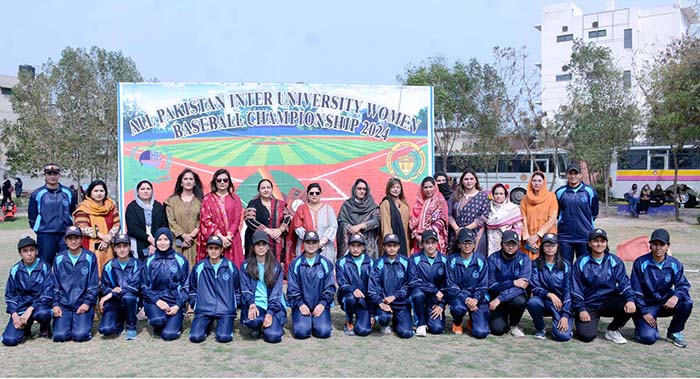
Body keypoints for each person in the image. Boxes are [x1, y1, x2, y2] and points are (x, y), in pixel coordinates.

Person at [572, 228, 636, 344]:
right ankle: (580, 320)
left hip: (608, 301)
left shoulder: (615, 261)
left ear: (606, 243)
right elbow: (576, 288)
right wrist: (581, 309)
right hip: (589, 303)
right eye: (595, 241)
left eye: (602, 241)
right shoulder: (581, 262)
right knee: (586, 336)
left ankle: (613, 330)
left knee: (629, 303)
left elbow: (624, 283)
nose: (599, 244)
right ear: (589, 243)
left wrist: (630, 299)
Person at [631, 229, 692, 347]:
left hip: (665, 303)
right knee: (649, 338)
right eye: (655, 244)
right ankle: (640, 327)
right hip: (646, 305)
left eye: (662, 244)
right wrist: (643, 311)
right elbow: (635, 290)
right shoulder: (640, 263)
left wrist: (676, 296)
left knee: (686, 302)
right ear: (650, 245)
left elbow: (683, 285)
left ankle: (674, 331)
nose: (658, 248)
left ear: (668, 246)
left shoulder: (675, 264)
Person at [188, 235, 241, 343]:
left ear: (222, 250)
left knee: (224, 338)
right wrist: (195, 303)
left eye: (216, 248)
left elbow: (237, 289)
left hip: (225, 310)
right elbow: (192, 289)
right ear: (207, 249)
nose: (213, 251)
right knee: (195, 337)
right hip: (204, 309)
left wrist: (234, 305)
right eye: (211, 248)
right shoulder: (199, 267)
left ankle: (223, 324)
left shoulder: (230, 267)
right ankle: (206, 325)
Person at [2, 236, 54, 346]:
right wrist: (14, 315)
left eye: (32, 250)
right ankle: (26, 327)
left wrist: (30, 309)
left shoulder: (44, 267)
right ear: (20, 253)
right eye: (25, 251)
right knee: (9, 340)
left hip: (39, 305)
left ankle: (45, 327)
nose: (29, 254)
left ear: (36, 251)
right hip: (22, 306)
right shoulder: (15, 270)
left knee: (43, 313)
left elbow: (48, 293)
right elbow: (10, 295)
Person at [52, 226, 99, 343]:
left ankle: (82, 323)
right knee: (60, 336)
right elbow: (55, 285)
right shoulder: (59, 258)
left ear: (81, 239)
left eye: (76, 238)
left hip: (82, 304)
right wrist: (56, 304)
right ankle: (67, 323)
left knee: (80, 335)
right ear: (65, 240)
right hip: (64, 304)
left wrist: (87, 303)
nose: (73, 241)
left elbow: (93, 284)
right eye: (70, 238)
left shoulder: (90, 257)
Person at [141, 227, 189, 341]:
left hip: (174, 301)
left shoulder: (180, 260)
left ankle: (176, 323)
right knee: (157, 321)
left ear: (171, 241)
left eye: (166, 239)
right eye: (160, 239)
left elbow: (186, 286)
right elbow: (144, 286)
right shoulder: (149, 261)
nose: (162, 243)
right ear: (155, 241)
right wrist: (157, 301)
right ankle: (159, 322)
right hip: (155, 300)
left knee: (168, 335)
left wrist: (178, 306)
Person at [287, 231, 336, 339]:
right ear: (303, 244)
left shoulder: (326, 263)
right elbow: (292, 289)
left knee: (324, 332)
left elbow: (330, 287)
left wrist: (322, 304)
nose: (311, 245)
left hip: (320, 306)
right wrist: (300, 304)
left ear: (318, 244)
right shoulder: (295, 264)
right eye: (308, 242)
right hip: (302, 306)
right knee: (301, 332)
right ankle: (305, 321)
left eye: (314, 242)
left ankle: (317, 322)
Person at [240, 230, 287, 343]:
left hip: (274, 305)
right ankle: (257, 326)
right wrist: (251, 304)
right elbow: (245, 289)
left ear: (268, 247)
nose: (261, 247)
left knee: (273, 336)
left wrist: (270, 313)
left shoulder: (276, 267)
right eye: (258, 244)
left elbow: (276, 293)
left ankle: (273, 323)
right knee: (252, 321)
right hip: (256, 304)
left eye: (263, 244)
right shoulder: (245, 266)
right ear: (253, 247)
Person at [28, 163, 77, 266]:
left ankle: (63, 283)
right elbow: (32, 216)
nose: (52, 176)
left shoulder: (68, 193)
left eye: (55, 173)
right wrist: (40, 230)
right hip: (45, 234)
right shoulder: (37, 194)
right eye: (49, 173)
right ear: (45, 175)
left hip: (64, 234)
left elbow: (72, 212)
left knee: (65, 263)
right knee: (45, 264)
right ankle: (46, 283)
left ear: (59, 175)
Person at [527, 233, 573, 341]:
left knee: (562, 336)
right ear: (542, 247)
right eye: (546, 245)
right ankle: (540, 328)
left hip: (561, 303)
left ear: (558, 247)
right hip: (543, 301)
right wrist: (549, 295)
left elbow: (568, 289)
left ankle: (563, 323)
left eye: (553, 245)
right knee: (533, 302)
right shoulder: (535, 264)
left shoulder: (565, 265)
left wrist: (565, 315)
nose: (550, 248)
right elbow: (534, 287)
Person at [446, 228, 490, 339]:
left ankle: (472, 320)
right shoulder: (452, 260)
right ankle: (457, 322)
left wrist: (475, 299)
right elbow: (451, 286)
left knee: (481, 333)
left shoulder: (481, 260)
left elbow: (483, 285)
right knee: (457, 309)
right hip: (460, 297)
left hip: (477, 299)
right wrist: (466, 299)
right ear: (459, 245)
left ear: (474, 245)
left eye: (470, 243)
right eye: (464, 243)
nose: (467, 246)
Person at [368, 234, 413, 338]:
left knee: (406, 333)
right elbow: (372, 288)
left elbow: (409, 285)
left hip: (401, 303)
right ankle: (385, 322)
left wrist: (395, 296)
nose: (392, 248)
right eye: (389, 245)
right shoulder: (378, 263)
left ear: (399, 246)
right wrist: (380, 301)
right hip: (384, 303)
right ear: (384, 247)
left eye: (394, 245)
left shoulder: (406, 262)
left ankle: (397, 321)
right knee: (383, 318)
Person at [98, 233, 142, 340]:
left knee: (128, 297)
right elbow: (104, 286)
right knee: (106, 330)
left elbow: (135, 286)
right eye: (118, 246)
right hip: (114, 301)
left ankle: (131, 326)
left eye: (125, 246)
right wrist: (111, 292)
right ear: (114, 248)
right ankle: (119, 320)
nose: (122, 249)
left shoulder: (138, 264)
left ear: (130, 247)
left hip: (130, 301)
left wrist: (113, 292)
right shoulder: (109, 265)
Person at [73, 179, 121, 278]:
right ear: (90, 192)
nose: (99, 194)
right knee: (90, 273)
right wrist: (102, 236)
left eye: (101, 191)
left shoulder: (111, 207)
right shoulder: (83, 208)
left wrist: (108, 238)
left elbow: (116, 225)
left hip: (108, 246)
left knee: (109, 273)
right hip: (89, 246)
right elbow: (82, 227)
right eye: (96, 191)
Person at [487, 230, 531, 337]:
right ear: (502, 244)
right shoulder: (493, 259)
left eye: (513, 244)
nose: (510, 247)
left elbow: (523, 286)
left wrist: (501, 298)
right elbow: (492, 286)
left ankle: (514, 325)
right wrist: (513, 282)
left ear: (518, 245)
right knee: (497, 330)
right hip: (495, 298)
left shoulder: (524, 259)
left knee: (520, 300)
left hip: (509, 298)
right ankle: (500, 319)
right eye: (507, 244)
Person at [408, 229, 451, 337]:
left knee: (437, 329)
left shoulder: (445, 260)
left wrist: (441, 305)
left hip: (436, 299)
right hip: (421, 295)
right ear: (422, 244)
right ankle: (421, 324)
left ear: (437, 243)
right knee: (417, 294)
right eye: (427, 243)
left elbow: (448, 284)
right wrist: (434, 290)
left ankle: (429, 319)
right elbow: (413, 281)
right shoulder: (415, 258)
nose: (430, 246)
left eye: (433, 242)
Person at [198, 169, 244, 267]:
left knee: (233, 269)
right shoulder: (208, 199)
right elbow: (206, 220)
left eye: (225, 180)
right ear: (215, 182)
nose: (222, 182)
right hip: (214, 240)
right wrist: (220, 237)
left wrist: (228, 237)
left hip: (232, 239)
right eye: (219, 180)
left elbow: (237, 220)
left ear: (229, 182)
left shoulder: (235, 199)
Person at [555, 163, 599, 263]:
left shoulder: (590, 191)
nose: (573, 176)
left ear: (580, 175)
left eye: (576, 173)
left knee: (584, 266)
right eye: (570, 173)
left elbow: (594, 213)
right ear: (566, 175)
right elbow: (557, 214)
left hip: (585, 235)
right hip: (565, 237)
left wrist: (583, 223)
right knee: (565, 266)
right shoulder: (560, 192)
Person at [336, 233, 375, 336]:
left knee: (363, 331)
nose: (356, 249)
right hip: (348, 297)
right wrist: (353, 289)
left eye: (359, 246)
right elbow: (341, 282)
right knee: (351, 298)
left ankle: (362, 317)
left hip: (364, 300)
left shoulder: (370, 262)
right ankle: (349, 321)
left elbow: (372, 287)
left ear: (363, 247)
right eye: (353, 246)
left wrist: (372, 314)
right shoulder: (341, 261)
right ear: (349, 246)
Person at [290, 183, 338, 267]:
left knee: (325, 270)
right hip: (305, 246)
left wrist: (321, 242)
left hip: (324, 247)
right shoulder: (301, 209)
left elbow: (333, 226)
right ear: (307, 195)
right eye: (311, 193)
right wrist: (311, 241)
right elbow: (297, 227)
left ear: (320, 195)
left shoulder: (328, 208)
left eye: (317, 193)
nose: (314, 195)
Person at [243, 178, 291, 263]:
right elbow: (249, 220)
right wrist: (267, 231)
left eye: (268, 187)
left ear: (272, 189)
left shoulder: (279, 204)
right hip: (257, 242)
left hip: (276, 241)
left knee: (275, 268)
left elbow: (287, 218)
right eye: (263, 188)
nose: (266, 190)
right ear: (259, 190)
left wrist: (280, 230)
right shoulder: (253, 203)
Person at [164, 168, 203, 268]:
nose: (188, 181)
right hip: (177, 242)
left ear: (195, 183)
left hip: (196, 242)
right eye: (185, 179)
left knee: (195, 269)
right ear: (181, 183)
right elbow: (171, 221)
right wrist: (183, 236)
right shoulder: (171, 201)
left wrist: (192, 235)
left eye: (191, 179)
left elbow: (203, 219)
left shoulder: (202, 202)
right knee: (177, 269)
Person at [447, 169, 490, 255]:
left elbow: (483, 217)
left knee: (476, 259)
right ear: (462, 181)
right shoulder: (455, 196)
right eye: (466, 179)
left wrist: (466, 229)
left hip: (476, 233)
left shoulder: (483, 197)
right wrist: (457, 229)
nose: (469, 181)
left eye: (471, 179)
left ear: (476, 181)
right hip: (456, 233)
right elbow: (448, 214)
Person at [125, 180, 168, 260]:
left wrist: (154, 243)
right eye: (142, 189)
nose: (145, 191)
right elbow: (132, 228)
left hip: (157, 244)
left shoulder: (158, 207)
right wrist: (149, 238)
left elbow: (164, 225)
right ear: (137, 192)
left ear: (152, 191)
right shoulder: (132, 207)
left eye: (148, 189)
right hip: (138, 243)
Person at [337, 178, 380, 259]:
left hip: (368, 245)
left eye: (364, 189)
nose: (362, 191)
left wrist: (360, 226)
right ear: (354, 190)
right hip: (351, 244)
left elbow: (376, 221)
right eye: (359, 188)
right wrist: (353, 231)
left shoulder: (372, 206)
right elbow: (342, 222)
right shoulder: (347, 206)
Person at [519, 171, 558, 261]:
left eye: (539, 181)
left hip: (546, 235)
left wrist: (538, 235)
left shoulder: (551, 197)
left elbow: (552, 218)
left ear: (543, 182)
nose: (537, 183)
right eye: (534, 181)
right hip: (529, 238)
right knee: (528, 263)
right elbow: (522, 218)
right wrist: (527, 238)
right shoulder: (525, 199)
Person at [409, 177, 449, 254]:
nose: (428, 190)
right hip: (419, 240)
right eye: (425, 187)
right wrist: (417, 236)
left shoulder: (439, 201)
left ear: (435, 187)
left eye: (430, 187)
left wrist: (426, 236)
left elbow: (441, 220)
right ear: (422, 189)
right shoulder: (419, 203)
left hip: (434, 238)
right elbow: (413, 222)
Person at [485, 183, 523, 256]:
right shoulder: (488, 207)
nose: (498, 196)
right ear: (492, 194)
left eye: (501, 194)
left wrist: (516, 240)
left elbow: (518, 227)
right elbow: (487, 222)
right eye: (496, 193)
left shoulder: (512, 208)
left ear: (506, 195)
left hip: (508, 240)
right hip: (491, 240)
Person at [379, 178, 410, 257]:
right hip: (391, 243)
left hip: (403, 242)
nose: (395, 189)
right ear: (388, 189)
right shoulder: (385, 204)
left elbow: (406, 228)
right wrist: (390, 244)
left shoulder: (405, 205)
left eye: (398, 187)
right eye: (393, 187)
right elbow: (386, 226)